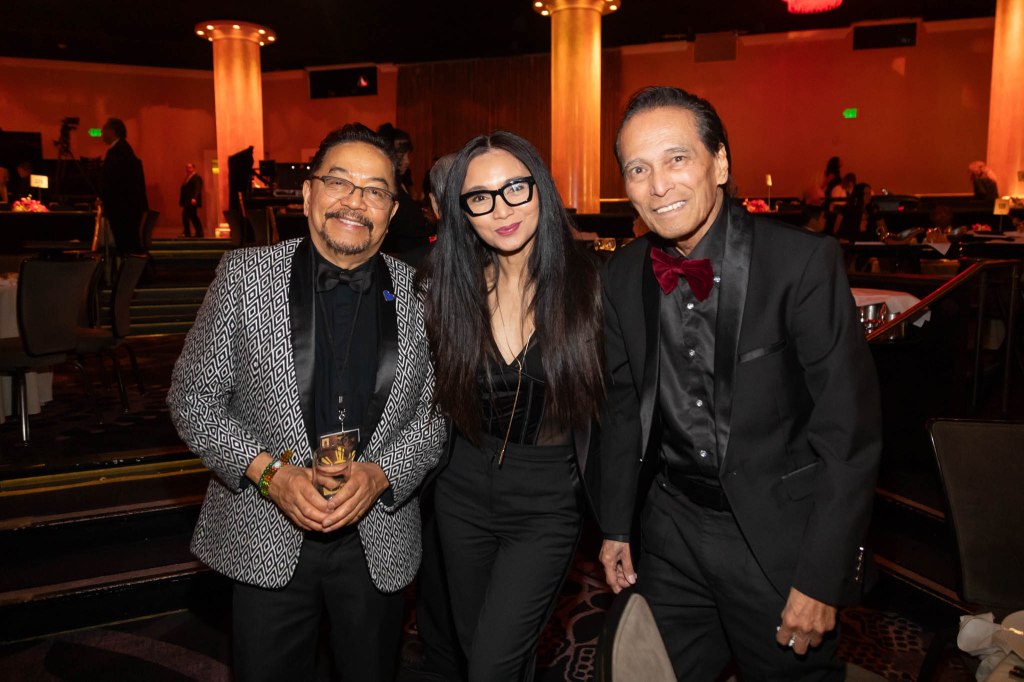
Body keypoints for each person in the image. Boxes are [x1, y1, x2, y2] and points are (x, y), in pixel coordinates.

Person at [597, 86, 881, 680]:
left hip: (776, 539)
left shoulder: (800, 263)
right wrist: (617, 523)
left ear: (720, 163)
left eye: (677, 159)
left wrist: (821, 575)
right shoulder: (621, 274)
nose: (658, 185)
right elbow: (624, 409)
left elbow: (847, 433)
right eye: (638, 169)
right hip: (670, 530)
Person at [167, 123, 447, 682]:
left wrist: (382, 474)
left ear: (392, 211)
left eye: (375, 190)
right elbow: (193, 399)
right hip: (265, 529)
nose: (355, 201)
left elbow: (435, 418)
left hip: (376, 535)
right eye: (339, 182)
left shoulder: (423, 293)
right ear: (308, 193)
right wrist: (271, 475)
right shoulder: (244, 277)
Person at [420, 130, 603, 681]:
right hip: (461, 490)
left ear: (540, 187)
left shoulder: (592, 286)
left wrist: (619, 524)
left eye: (515, 188)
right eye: (480, 197)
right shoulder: (449, 290)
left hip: (547, 499)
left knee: (492, 664)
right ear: (462, 213)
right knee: (476, 646)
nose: (501, 209)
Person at [378, 123, 433, 256]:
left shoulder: (401, 181)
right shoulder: (388, 185)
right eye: (401, 155)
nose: (407, 161)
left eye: (407, 155)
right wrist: (425, 221)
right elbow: (401, 222)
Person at [100, 118, 148, 256]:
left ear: (112, 131)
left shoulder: (118, 152)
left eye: (104, 129)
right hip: (127, 207)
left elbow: (113, 180)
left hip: (122, 209)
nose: (102, 132)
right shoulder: (123, 149)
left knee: (126, 245)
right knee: (128, 244)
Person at [179, 162, 204, 238]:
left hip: (191, 201)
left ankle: (188, 233)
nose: (188, 169)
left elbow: (197, 188)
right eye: (187, 167)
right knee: (193, 217)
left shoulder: (196, 178)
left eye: (190, 167)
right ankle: (198, 233)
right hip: (187, 201)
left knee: (186, 216)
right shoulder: (187, 178)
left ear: (193, 168)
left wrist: (195, 198)